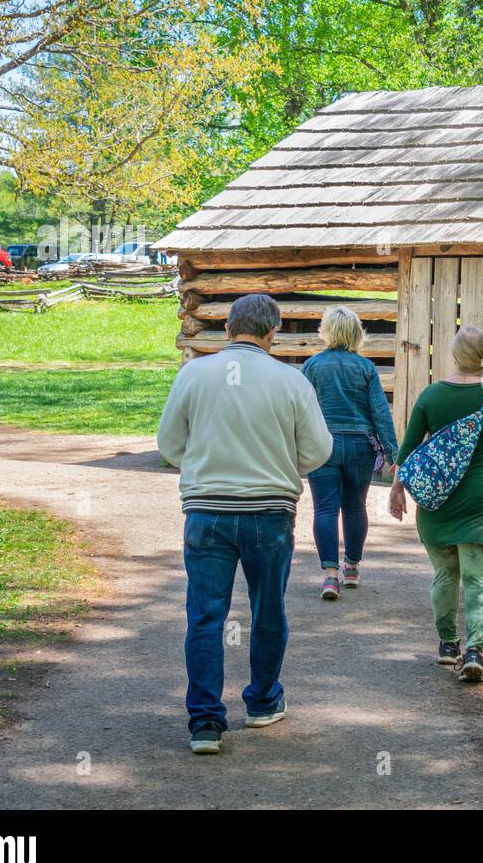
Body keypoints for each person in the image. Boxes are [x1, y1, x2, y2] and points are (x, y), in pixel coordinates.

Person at [157, 293, 332, 755]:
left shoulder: (194, 373)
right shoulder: (291, 381)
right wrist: (280, 461)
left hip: (206, 510)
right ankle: (261, 701)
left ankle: (205, 722)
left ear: (229, 328)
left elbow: (170, 444)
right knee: (268, 609)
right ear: (272, 332)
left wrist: (203, 463)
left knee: (205, 615)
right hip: (269, 512)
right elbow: (317, 451)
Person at [388, 326, 483, 683]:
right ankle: (475, 651)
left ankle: (448, 645)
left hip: (439, 500)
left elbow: (406, 453)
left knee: (445, 573)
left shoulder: (431, 396)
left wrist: (396, 489)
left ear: (453, 356)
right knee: (480, 577)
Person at [300, 305, 399, 599]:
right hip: (360, 445)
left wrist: (294, 447)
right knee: (355, 506)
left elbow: (302, 410)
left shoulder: (313, 366)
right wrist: (392, 451)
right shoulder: (366, 368)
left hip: (323, 444)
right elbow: (380, 412)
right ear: (357, 334)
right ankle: (352, 568)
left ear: (326, 332)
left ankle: (330, 576)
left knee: (325, 508)